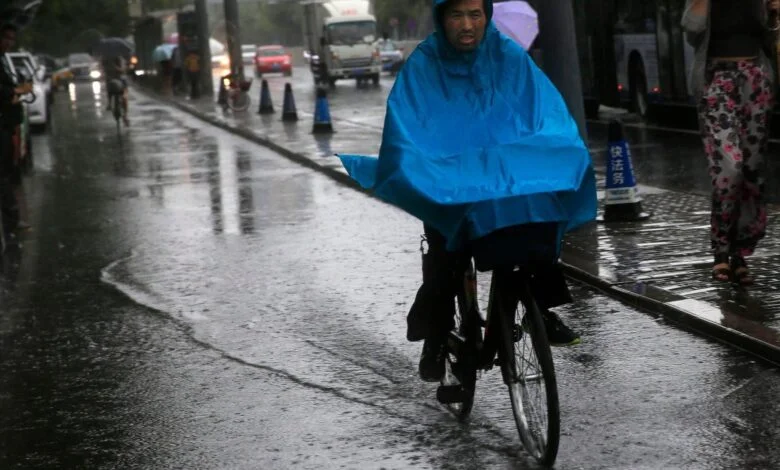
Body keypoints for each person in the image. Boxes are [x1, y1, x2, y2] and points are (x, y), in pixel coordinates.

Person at [339, 0, 596, 381]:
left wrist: (559, 148)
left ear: (486, 17)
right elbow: (407, 127)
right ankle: (436, 336)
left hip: (501, 176)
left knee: (538, 213)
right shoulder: (424, 64)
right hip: (448, 179)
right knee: (446, 253)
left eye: (475, 15)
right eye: (457, 15)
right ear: (442, 18)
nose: (467, 25)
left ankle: (540, 308)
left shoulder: (508, 55)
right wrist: (425, 166)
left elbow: (542, 111)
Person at [682, 0, 779, 285]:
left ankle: (740, 253)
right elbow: (691, 30)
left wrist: (774, 15)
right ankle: (721, 248)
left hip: (755, 80)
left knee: (751, 170)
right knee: (729, 169)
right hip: (716, 81)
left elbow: (770, 37)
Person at [0, 23, 32, 235]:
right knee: (3, 174)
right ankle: (10, 221)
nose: (9, 43)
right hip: (3, 124)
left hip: (8, 124)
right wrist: (14, 92)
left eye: (12, 39)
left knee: (7, 172)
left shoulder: (4, 60)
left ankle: (11, 219)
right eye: (6, 38)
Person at [105, 55, 129, 126]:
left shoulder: (121, 60)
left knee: (124, 98)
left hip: (121, 83)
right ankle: (109, 103)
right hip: (113, 83)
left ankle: (125, 115)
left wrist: (118, 69)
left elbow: (123, 70)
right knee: (109, 87)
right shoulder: (108, 61)